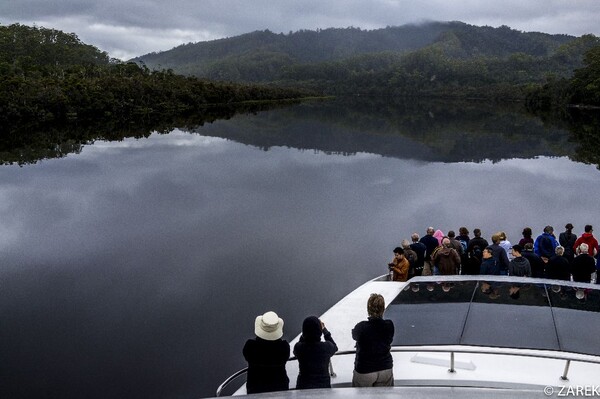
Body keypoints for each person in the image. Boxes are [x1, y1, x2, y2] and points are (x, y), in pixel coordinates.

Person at [352, 293, 394, 387]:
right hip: (385, 368)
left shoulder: (361, 327)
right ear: (383, 308)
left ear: (369, 309)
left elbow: (354, 336)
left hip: (365, 369)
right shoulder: (389, 325)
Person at [243, 311, 290, 394]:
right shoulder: (284, 347)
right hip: (279, 388)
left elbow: (246, 356)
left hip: (255, 388)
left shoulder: (250, 346)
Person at [294, 316, 338, 389]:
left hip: (303, 386)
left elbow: (298, 346)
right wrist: (324, 330)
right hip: (323, 386)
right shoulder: (326, 347)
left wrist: (304, 333)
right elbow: (335, 347)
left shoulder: (299, 348)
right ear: (319, 331)